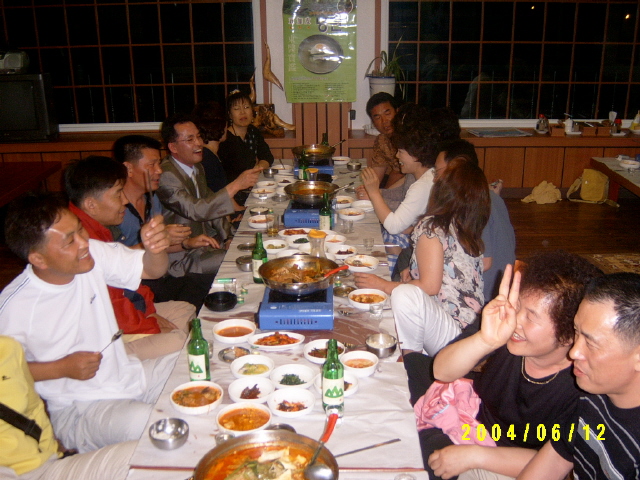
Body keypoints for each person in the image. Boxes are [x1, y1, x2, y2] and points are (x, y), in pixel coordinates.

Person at [0, 192, 177, 453]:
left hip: (129, 375)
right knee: (160, 425)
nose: (84, 243)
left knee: (199, 363)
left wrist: (155, 250)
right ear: (38, 259)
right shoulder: (16, 306)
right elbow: (5, 374)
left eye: (80, 229)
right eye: (69, 240)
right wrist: (61, 368)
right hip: (80, 409)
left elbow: (152, 269)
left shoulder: (90, 254)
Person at [411, 251, 602, 480]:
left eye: (531, 317)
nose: (515, 321)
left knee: (421, 456)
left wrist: (475, 456)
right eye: (517, 306)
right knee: (411, 365)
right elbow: (441, 371)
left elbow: (560, 463)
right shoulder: (507, 328)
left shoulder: (583, 386)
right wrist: (486, 340)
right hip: (474, 418)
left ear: (569, 335)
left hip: (508, 460)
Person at [355, 155, 490, 356]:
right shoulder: (466, 228)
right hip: (473, 329)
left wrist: (382, 285)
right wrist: (415, 272)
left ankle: (412, 360)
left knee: (401, 295)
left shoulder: (431, 228)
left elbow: (429, 286)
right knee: (403, 293)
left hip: (454, 336)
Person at [64, 155, 194, 360]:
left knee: (184, 310)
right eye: (118, 194)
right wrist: (151, 325)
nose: (125, 201)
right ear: (91, 204)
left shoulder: (98, 230)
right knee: (180, 341)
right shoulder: (82, 245)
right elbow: (114, 308)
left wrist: (149, 312)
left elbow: (137, 277)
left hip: (124, 316)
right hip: (102, 338)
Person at [517, 272, 640, 480]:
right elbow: (555, 461)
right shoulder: (592, 395)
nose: (574, 352)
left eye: (591, 343)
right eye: (576, 331)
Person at [0, 336, 135, 480]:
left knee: (138, 455)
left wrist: (56, 449)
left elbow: (34, 408)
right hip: (11, 472)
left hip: (46, 465)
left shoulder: (7, 348)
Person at [112, 134, 217, 309]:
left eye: (159, 164)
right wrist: (154, 241)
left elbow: (160, 247)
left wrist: (186, 244)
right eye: (151, 165)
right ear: (128, 168)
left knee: (218, 283)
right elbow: (109, 260)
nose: (159, 170)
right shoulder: (114, 210)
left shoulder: (152, 199)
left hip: (161, 276)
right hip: (136, 287)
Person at [156, 113, 259, 277]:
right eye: (190, 139)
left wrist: (227, 237)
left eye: (198, 136)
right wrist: (236, 185)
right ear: (173, 147)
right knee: (242, 260)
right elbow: (196, 210)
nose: (199, 143)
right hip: (182, 257)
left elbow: (211, 204)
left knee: (255, 243)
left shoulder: (197, 167)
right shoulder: (167, 175)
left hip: (207, 243)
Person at [434, 139, 516, 303]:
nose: (435, 179)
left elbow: (484, 262)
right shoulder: (488, 195)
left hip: (487, 295)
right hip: (504, 286)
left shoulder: (472, 203)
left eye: (437, 172)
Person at [218, 90, 274, 197]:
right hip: (232, 193)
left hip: (251, 187)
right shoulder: (225, 139)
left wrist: (257, 168)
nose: (242, 112)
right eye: (236, 109)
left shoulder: (253, 131)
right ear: (230, 114)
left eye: (246, 107)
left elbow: (267, 156)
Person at [365, 92, 404, 189]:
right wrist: (368, 189)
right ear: (373, 122)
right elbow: (378, 171)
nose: (384, 121)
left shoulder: (409, 136)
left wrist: (380, 194)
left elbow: (400, 174)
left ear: (397, 112)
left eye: (387, 113)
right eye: (378, 117)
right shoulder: (381, 140)